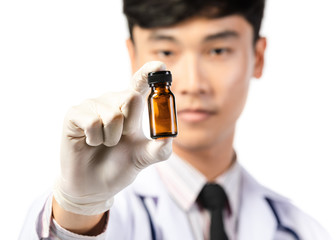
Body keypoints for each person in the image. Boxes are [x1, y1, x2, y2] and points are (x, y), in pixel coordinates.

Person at [20, 0, 332, 239]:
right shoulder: (100, 218)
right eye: (166, 51)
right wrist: (78, 211)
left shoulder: (303, 230)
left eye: (219, 50)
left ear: (258, 56)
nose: (192, 83)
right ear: (134, 57)